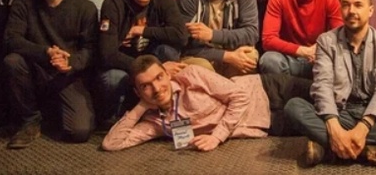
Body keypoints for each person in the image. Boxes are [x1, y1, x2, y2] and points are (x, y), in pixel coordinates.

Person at [284, 0, 376, 171]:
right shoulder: (326, 41)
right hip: (340, 112)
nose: (351, 11)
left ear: (370, 10)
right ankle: (368, 151)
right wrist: (334, 127)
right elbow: (322, 85)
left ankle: (329, 149)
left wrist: (363, 127)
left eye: (358, 5)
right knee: (293, 107)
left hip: (373, 114)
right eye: (346, 5)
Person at [102, 55, 313, 151]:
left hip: (266, 88)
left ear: (167, 74)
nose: (157, 88)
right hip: (263, 122)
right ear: (137, 92)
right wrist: (142, 106)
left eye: (158, 78)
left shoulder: (190, 76)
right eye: (146, 86)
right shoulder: (156, 123)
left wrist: (216, 137)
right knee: (321, 123)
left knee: (328, 97)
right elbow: (112, 144)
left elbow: (239, 96)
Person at [3, 0, 98, 148]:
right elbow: (11, 39)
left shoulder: (85, 8)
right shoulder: (23, 3)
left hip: (67, 75)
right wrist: (46, 53)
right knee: (12, 61)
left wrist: (70, 63)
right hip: (34, 70)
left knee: (79, 132)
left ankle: (52, 111)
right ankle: (30, 119)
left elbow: (90, 50)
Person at [97, 0, 189, 126]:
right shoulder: (112, 4)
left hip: (153, 59)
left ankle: (167, 110)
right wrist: (153, 71)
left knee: (168, 51)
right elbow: (107, 54)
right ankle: (118, 117)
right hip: (125, 66)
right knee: (113, 78)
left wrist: (143, 30)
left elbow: (181, 35)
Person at [260, 0, 343, 78]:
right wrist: (303, 51)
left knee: (341, 59)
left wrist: (320, 49)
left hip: (318, 58)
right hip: (289, 57)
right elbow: (268, 40)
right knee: (269, 60)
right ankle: (286, 90)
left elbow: (339, 35)